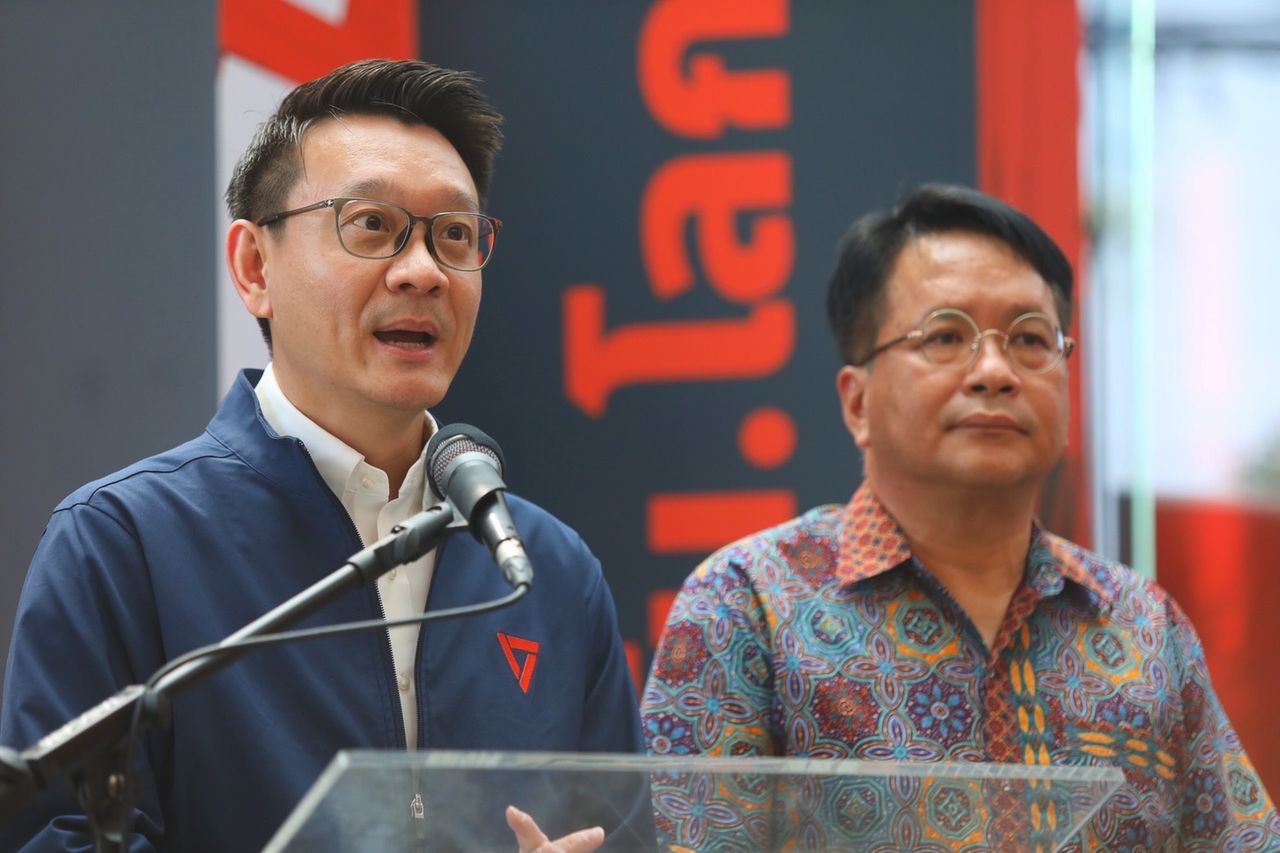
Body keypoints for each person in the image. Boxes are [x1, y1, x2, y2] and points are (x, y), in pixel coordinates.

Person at [0, 59, 641, 852]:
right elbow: (56, 835)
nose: (424, 272)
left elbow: (624, 834)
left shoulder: (547, 570)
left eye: (454, 235)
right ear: (254, 267)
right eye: (370, 223)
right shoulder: (124, 542)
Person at [641, 184, 1280, 849]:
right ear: (857, 404)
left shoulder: (1144, 628)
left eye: (1030, 339)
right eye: (946, 336)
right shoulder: (748, 606)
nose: (995, 371)